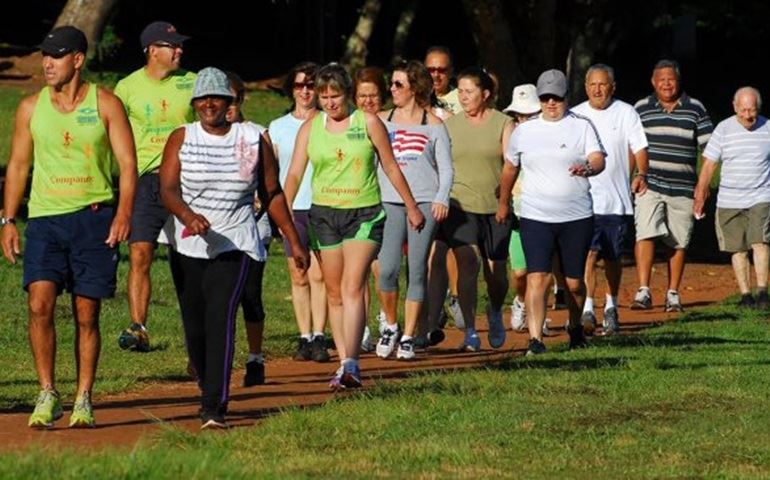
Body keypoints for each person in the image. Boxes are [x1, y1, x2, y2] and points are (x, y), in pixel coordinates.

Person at [1, 26, 137, 428]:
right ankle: (47, 393)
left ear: (77, 59)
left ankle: (83, 397)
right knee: (39, 304)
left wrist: (124, 212)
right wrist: (8, 219)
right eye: (45, 55)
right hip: (44, 219)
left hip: (93, 218)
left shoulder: (107, 104)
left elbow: (128, 166)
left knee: (86, 313)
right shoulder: (30, 108)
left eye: (56, 56)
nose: (47, 63)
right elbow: (18, 166)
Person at [158, 67, 308, 428]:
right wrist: (188, 216)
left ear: (230, 103)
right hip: (187, 245)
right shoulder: (181, 137)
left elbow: (270, 192)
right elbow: (167, 190)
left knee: (220, 319)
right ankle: (207, 384)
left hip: (236, 241)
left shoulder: (253, 138)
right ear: (195, 103)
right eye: (203, 99)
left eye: (217, 98)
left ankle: (215, 406)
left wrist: (293, 238)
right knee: (194, 328)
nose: (209, 105)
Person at [283, 63, 424, 389]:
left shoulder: (368, 122)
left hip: (364, 214)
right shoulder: (311, 128)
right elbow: (293, 173)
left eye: (336, 95)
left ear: (348, 94)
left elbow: (390, 165)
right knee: (334, 292)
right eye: (324, 96)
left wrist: (412, 206)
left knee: (352, 285)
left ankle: (352, 364)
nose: (330, 102)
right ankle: (343, 362)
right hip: (324, 215)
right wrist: (285, 211)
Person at [499, 69, 606, 355]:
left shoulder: (581, 126)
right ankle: (535, 339)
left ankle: (574, 325)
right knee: (537, 276)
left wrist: (588, 167)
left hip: (576, 216)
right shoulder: (524, 131)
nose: (550, 103)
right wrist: (503, 203)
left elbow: (598, 158)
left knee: (572, 282)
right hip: (536, 216)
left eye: (556, 97)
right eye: (545, 97)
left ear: (565, 97)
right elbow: (510, 168)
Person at [114, 21, 196, 352]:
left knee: (190, 259)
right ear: (151, 50)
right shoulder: (127, 87)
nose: (179, 50)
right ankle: (138, 327)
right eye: (171, 45)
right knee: (140, 251)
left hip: (186, 178)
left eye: (179, 45)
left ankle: (197, 332)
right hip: (145, 178)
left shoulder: (192, 82)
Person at [429, 67, 514, 351]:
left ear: (485, 94)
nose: (463, 97)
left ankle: (494, 310)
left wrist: (503, 201)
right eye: (461, 92)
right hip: (460, 206)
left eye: (469, 92)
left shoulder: (504, 123)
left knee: (496, 273)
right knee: (468, 261)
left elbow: (511, 165)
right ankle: (470, 329)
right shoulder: (449, 126)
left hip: (495, 208)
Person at [374, 60, 453, 360]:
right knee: (388, 268)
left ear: (415, 89)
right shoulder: (381, 120)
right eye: (391, 84)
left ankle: (409, 335)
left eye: (398, 85)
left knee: (417, 268)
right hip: (389, 201)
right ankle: (390, 325)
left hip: (424, 201)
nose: (391, 89)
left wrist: (441, 198)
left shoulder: (434, 125)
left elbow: (446, 169)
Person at [571, 64, 649, 335]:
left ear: (612, 87)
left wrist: (641, 173)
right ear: (585, 87)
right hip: (583, 200)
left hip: (616, 201)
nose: (598, 89)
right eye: (593, 84)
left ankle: (611, 306)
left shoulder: (627, 113)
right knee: (588, 254)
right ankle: (588, 308)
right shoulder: (576, 115)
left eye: (603, 84)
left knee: (613, 257)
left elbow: (639, 147)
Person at [632, 60, 713, 312]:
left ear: (678, 81)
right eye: (661, 79)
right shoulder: (641, 108)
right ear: (653, 82)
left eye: (671, 79)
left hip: (683, 187)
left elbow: (709, 150)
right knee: (644, 232)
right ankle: (644, 290)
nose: (666, 84)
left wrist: (703, 185)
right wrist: (634, 175)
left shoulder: (695, 108)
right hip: (650, 182)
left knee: (679, 241)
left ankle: (673, 293)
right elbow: (632, 145)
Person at [269, 62, 330, 364]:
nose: (305, 91)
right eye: (299, 85)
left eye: (311, 85)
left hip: (323, 205)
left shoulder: (328, 122)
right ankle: (303, 336)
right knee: (299, 274)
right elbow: (273, 172)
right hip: (292, 208)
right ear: (290, 89)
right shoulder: (278, 127)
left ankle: (320, 335)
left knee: (320, 275)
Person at [694, 87, 770, 309]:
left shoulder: (767, 128)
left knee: (760, 241)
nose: (748, 115)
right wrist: (701, 193)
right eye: (743, 110)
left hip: (761, 195)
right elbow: (709, 164)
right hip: (730, 199)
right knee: (737, 248)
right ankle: (746, 295)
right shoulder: (723, 129)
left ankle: (763, 292)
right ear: (735, 107)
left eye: (752, 110)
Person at [225, 71, 276, 386]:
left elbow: (272, 183)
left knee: (249, 295)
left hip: (254, 228)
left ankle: (255, 358)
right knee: (217, 298)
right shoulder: (201, 136)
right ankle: (212, 358)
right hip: (216, 231)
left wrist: (261, 205)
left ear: (241, 100)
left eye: (232, 99)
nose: (226, 106)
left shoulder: (258, 133)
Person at [352, 65, 387, 350]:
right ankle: (360, 326)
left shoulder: (389, 122)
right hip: (360, 203)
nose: (367, 101)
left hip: (389, 201)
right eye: (362, 96)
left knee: (383, 269)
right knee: (360, 270)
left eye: (373, 95)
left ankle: (387, 319)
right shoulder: (348, 125)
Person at [502, 83, 541, 333]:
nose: (523, 119)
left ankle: (539, 312)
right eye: (519, 114)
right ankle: (520, 301)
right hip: (517, 208)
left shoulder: (548, 134)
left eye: (529, 114)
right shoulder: (511, 133)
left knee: (541, 269)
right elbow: (506, 167)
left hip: (542, 209)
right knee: (520, 272)